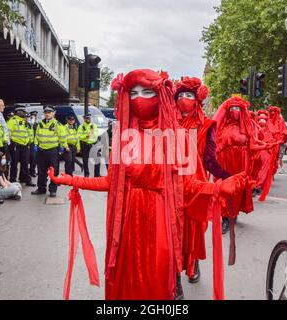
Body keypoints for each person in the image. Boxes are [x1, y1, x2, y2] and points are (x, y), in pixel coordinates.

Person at [49, 69, 250, 300]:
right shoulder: (123, 136)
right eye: (132, 93)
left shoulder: (179, 137)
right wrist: (71, 179)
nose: (139, 99)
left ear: (161, 95)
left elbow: (187, 186)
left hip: (161, 222)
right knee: (129, 285)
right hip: (127, 224)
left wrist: (217, 187)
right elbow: (110, 182)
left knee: (158, 281)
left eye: (146, 92)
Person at [174, 76, 230, 288]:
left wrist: (226, 176)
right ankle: (176, 277)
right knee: (173, 230)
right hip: (172, 188)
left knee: (196, 229)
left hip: (197, 187)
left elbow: (210, 160)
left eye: (188, 95)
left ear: (197, 99)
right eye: (180, 96)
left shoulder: (207, 125)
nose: (184, 99)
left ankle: (193, 261)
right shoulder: (167, 123)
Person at [31, 106, 67, 198]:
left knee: (54, 171)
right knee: (41, 171)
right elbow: (37, 135)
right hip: (41, 151)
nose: (47, 114)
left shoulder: (57, 124)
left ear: (53, 113)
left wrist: (62, 146)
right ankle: (41, 188)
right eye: (46, 112)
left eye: (49, 112)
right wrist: (35, 144)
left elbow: (62, 136)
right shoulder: (41, 124)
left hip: (52, 151)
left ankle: (53, 190)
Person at [7, 107, 36, 187]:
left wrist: (29, 142)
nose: (24, 113)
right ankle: (12, 179)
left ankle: (25, 179)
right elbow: (8, 133)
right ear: (18, 112)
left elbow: (27, 133)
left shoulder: (24, 121)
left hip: (25, 145)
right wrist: (10, 144)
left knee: (25, 163)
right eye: (23, 111)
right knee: (14, 163)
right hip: (16, 145)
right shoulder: (12, 121)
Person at [28, 111, 39, 177]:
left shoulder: (37, 124)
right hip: (30, 142)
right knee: (31, 158)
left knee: (34, 158)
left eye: (35, 116)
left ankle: (33, 171)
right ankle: (31, 171)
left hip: (36, 142)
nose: (34, 117)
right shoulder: (29, 123)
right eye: (33, 116)